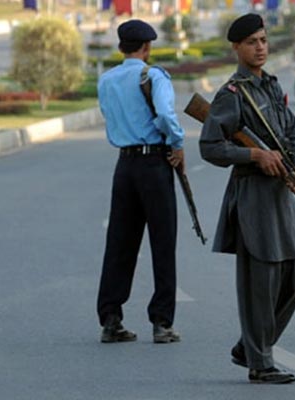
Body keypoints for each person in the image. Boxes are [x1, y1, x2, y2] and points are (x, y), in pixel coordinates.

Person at [199, 14, 295, 384]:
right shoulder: (230, 95)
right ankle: (260, 363)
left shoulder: (271, 88)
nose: (260, 47)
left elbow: (293, 131)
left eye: (263, 40)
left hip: (280, 191)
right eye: (251, 42)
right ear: (237, 48)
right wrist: (254, 156)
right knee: (260, 282)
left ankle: (250, 346)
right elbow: (210, 146)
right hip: (252, 196)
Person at [96, 20, 185, 344]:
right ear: (147, 48)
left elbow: (109, 116)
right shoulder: (153, 75)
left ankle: (110, 318)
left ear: (122, 47)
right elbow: (164, 113)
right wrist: (176, 142)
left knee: (120, 243)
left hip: (125, 164)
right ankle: (162, 322)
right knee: (163, 243)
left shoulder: (107, 80)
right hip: (154, 163)